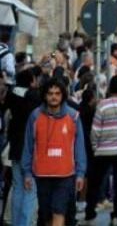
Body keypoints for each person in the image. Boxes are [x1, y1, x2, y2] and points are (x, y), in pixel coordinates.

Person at [22, 78, 87, 226]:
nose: (54, 97)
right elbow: (28, 146)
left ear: (62, 95)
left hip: (65, 175)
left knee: (59, 211)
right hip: (41, 175)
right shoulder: (35, 116)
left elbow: (79, 148)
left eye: (57, 93)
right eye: (50, 93)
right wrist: (26, 173)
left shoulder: (73, 116)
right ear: (44, 95)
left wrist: (80, 173)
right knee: (46, 216)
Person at [84, 75, 117, 224]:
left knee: (95, 183)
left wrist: (94, 147)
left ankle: (90, 214)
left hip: (102, 151)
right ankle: (116, 215)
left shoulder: (102, 105)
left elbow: (95, 130)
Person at [6, 68, 42, 226]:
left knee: (18, 187)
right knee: (30, 190)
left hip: (15, 147)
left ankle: (16, 223)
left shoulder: (11, 94)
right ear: (31, 81)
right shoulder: (34, 97)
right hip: (31, 148)